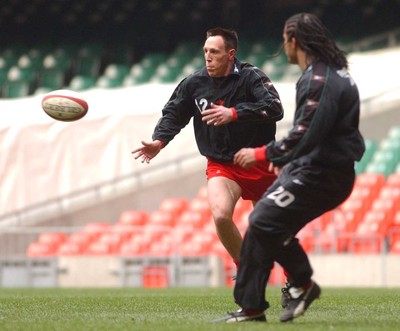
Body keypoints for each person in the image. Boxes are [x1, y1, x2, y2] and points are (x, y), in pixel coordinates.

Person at [214, 13, 365, 323]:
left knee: (265, 220)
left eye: (285, 41)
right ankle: (252, 306)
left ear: (294, 41)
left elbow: (305, 133)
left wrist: (262, 153)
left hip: (323, 174)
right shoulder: (332, 73)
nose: (284, 47)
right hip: (316, 169)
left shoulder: (320, 79)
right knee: (261, 222)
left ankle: (302, 283)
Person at [132, 27, 284, 272]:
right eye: (205, 51)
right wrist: (159, 141)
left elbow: (275, 107)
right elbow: (174, 113)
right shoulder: (194, 83)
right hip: (222, 164)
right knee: (222, 216)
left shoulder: (251, 77)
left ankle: (292, 281)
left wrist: (234, 113)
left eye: (214, 51)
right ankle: (247, 270)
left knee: (271, 228)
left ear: (231, 54)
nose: (208, 57)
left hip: (259, 161)